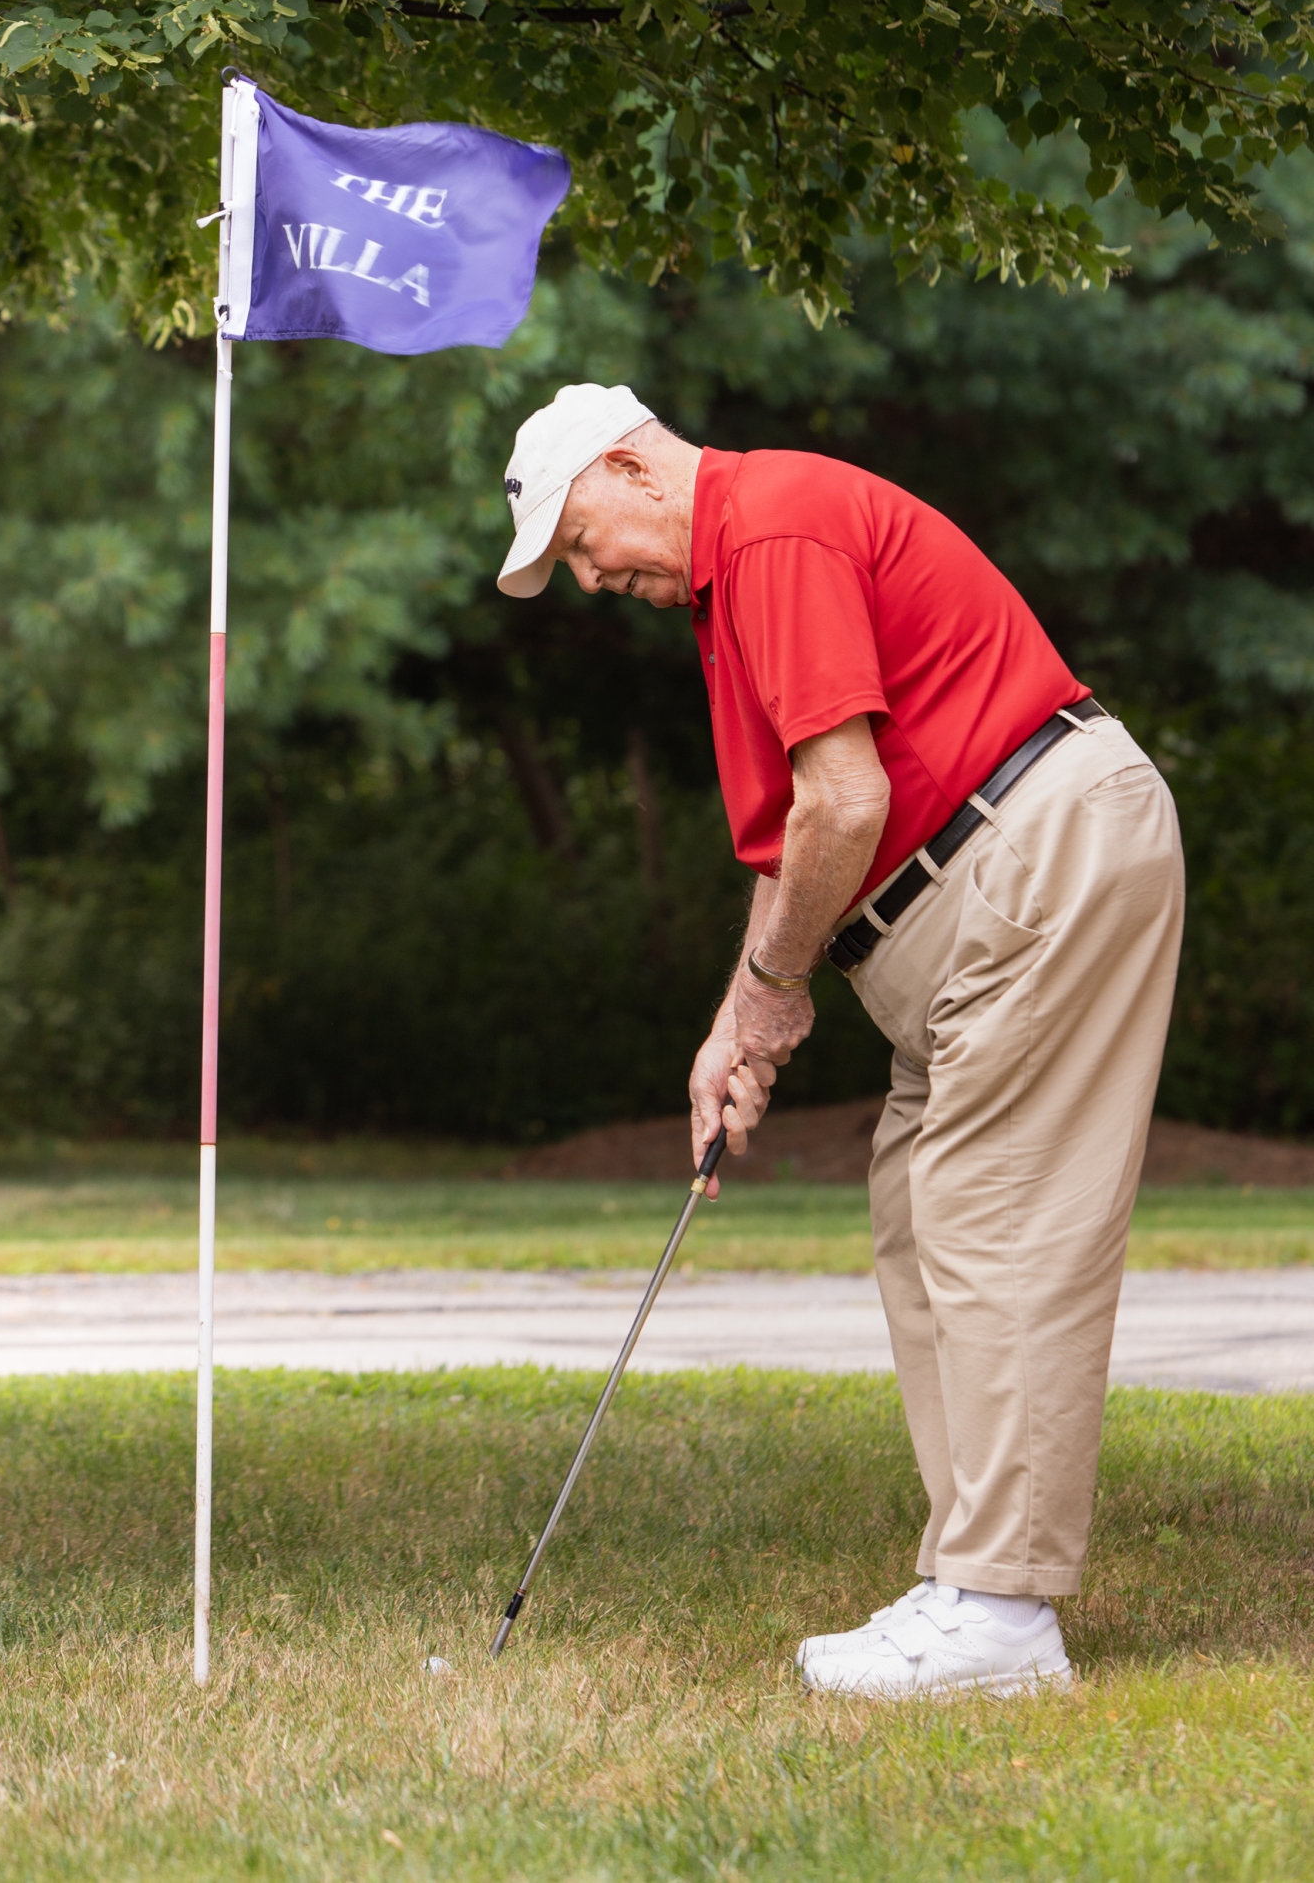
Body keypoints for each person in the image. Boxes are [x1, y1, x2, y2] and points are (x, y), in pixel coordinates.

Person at [497, 381, 1183, 1700]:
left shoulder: (771, 527)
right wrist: (737, 1022)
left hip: (1031, 855)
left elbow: (846, 797)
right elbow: (801, 824)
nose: (591, 581)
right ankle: (970, 1584)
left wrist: (773, 990)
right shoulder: (734, 575)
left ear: (634, 466)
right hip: (987, 881)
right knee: (921, 1215)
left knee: (992, 1215)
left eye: (582, 544)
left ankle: (1004, 1615)